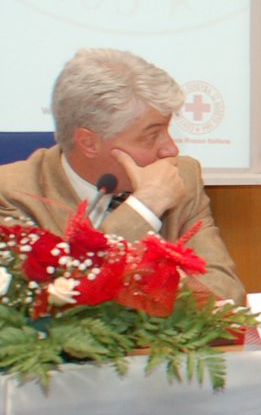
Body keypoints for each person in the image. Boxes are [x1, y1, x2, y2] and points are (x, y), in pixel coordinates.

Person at [0, 48, 245, 300]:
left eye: (167, 130)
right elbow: (49, 306)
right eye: (152, 136)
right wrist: (144, 209)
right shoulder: (11, 195)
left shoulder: (181, 176)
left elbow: (226, 297)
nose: (171, 149)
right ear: (89, 143)